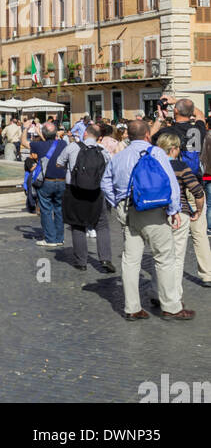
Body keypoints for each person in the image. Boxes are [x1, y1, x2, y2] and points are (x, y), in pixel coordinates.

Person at [101, 116, 190, 321]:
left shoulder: (119, 157)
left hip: (127, 210)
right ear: (148, 135)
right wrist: (174, 210)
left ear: (128, 136)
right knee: (164, 258)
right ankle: (171, 307)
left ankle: (132, 308)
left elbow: (105, 183)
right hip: (153, 211)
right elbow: (171, 184)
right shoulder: (157, 152)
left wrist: (117, 202)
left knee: (130, 260)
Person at [154, 128, 207, 309]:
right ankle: (173, 296)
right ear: (175, 148)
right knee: (176, 257)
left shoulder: (153, 164)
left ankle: (157, 291)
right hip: (179, 213)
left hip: (155, 214)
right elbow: (197, 191)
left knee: (160, 256)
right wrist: (198, 211)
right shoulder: (180, 166)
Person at [63, 122, 114, 272]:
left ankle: (81, 261)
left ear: (85, 133)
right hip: (97, 191)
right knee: (102, 225)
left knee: (77, 224)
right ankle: (105, 259)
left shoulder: (72, 147)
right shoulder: (103, 150)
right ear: (99, 138)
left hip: (75, 190)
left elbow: (59, 163)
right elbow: (109, 169)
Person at [28, 123, 68, 248]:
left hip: (47, 181)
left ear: (43, 135)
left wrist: (27, 130)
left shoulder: (38, 145)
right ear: (56, 133)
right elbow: (53, 141)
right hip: (62, 180)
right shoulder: (63, 144)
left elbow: (23, 140)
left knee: (46, 210)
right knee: (59, 210)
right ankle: (59, 238)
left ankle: (50, 239)